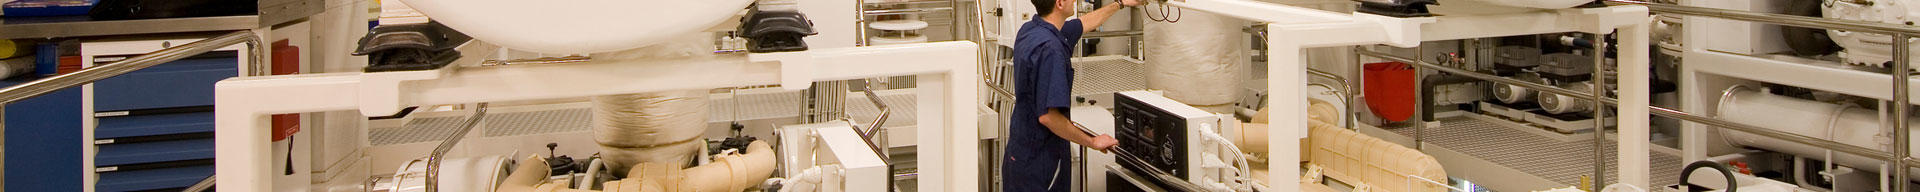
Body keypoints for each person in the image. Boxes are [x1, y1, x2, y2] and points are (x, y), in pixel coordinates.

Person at [1005, 0, 1137, 191]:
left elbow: (1083, 23)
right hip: (1041, 163)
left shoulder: (1030, 30)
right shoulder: (1051, 49)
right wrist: (1092, 141)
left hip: (1019, 154)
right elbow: (1049, 117)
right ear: (1059, 3)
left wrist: (1121, 3)